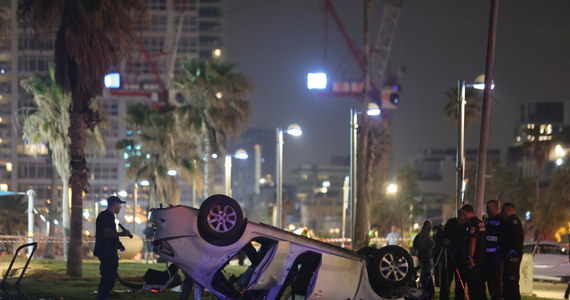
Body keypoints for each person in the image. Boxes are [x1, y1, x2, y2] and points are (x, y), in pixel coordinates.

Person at [93, 196, 132, 300]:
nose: (120, 207)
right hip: (106, 251)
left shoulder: (107, 216)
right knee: (109, 278)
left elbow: (111, 234)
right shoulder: (107, 216)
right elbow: (108, 233)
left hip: (107, 250)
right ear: (114, 204)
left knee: (108, 277)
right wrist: (122, 233)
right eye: (119, 205)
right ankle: (102, 297)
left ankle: (102, 296)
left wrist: (119, 245)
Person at [460, 204, 486, 300]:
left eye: (463, 214)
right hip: (481, 259)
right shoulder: (480, 223)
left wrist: (470, 258)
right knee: (480, 287)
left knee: (474, 288)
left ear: (466, 213)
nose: (463, 217)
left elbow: (472, 241)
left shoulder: (473, 224)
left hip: (474, 261)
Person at [441, 211, 468, 300]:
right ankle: (444, 296)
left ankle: (459, 297)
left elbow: (464, 241)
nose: (461, 220)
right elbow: (444, 236)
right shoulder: (451, 223)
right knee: (446, 279)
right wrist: (446, 241)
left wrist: (452, 243)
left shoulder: (467, 226)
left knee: (460, 282)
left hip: (461, 257)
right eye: (459, 218)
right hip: (448, 255)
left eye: (463, 219)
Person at [501, 202, 524, 300]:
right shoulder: (508, 221)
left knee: (512, 282)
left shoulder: (513, 221)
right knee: (507, 282)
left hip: (512, 257)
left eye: (504, 210)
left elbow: (515, 239)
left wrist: (511, 252)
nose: (502, 212)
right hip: (510, 256)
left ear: (509, 210)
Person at [484, 200, 504, 300]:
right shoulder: (487, 221)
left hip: (497, 257)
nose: (486, 210)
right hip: (488, 257)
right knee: (490, 282)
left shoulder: (502, 220)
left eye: (488, 208)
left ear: (495, 208)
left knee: (497, 283)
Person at [413, 220, 434, 295]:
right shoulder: (425, 233)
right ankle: (423, 284)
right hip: (424, 253)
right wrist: (432, 243)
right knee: (425, 269)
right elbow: (429, 243)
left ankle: (423, 283)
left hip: (421, 253)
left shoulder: (422, 232)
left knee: (424, 269)